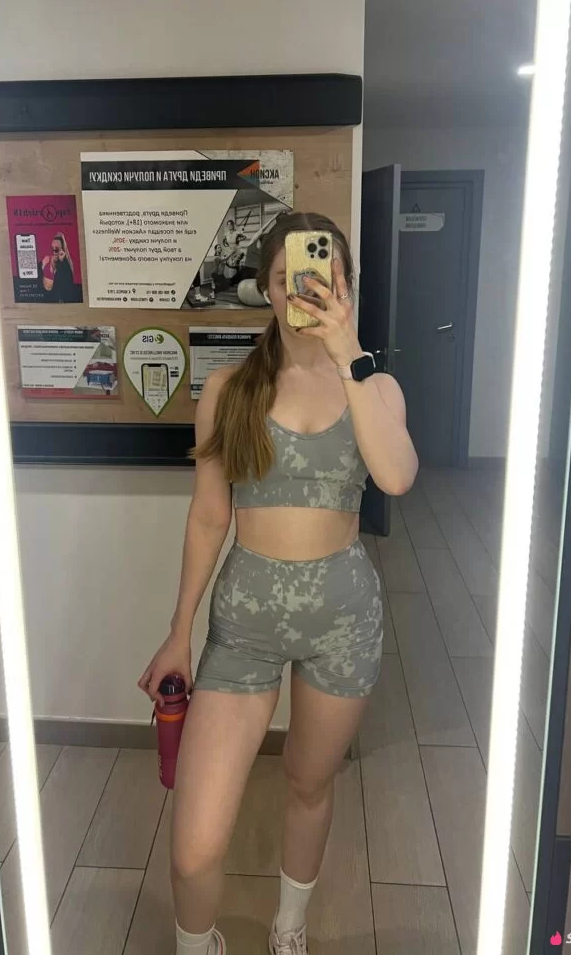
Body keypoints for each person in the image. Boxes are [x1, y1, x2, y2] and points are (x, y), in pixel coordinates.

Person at [138, 212, 418, 955]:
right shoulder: (229, 391)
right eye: (292, 276)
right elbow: (208, 518)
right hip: (244, 627)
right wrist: (178, 633)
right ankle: (197, 946)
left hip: (344, 624)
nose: (310, 290)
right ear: (267, 288)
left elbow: (396, 477)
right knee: (194, 845)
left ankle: (288, 929)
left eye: (328, 275)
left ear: (347, 286)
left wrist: (348, 353)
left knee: (308, 782)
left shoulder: (376, 386)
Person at [41, 232, 76, 302]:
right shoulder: (46, 260)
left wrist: (62, 262)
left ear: (62, 250)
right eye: (52, 248)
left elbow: (66, 287)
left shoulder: (65, 266)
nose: (54, 251)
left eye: (56, 249)